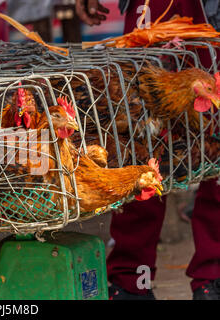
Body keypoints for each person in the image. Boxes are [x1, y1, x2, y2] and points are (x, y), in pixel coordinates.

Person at [75, 0, 220, 300]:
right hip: (154, 11)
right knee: (138, 145)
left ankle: (212, 278)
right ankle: (131, 281)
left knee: (216, 145)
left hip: (210, 13)